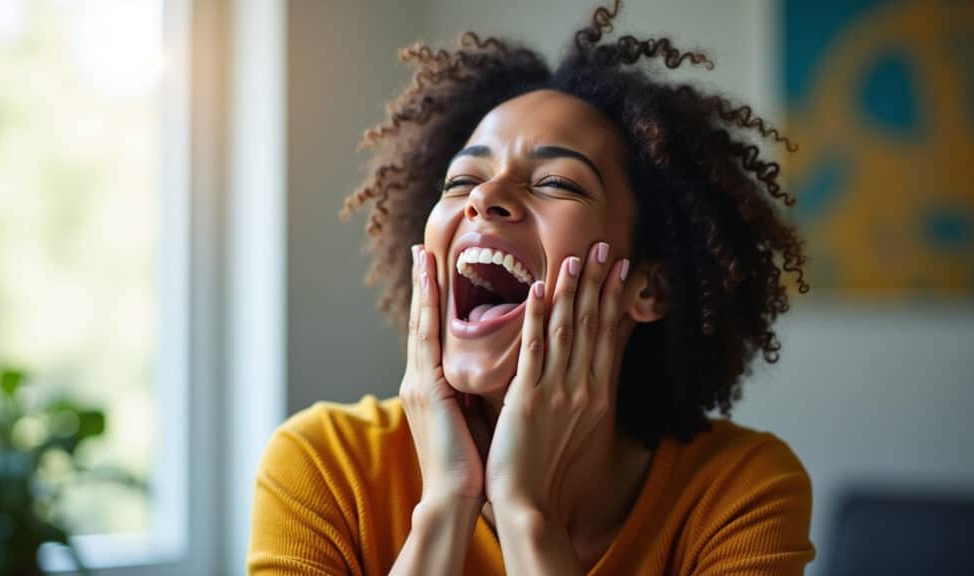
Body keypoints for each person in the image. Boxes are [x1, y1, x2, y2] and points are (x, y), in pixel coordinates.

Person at [248, 2, 816, 574]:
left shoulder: (741, 492)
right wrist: (447, 504)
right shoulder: (324, 465)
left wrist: (525, 512)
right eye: (463, 179)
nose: (483, 196)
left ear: (651, 288)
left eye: (555, 182)